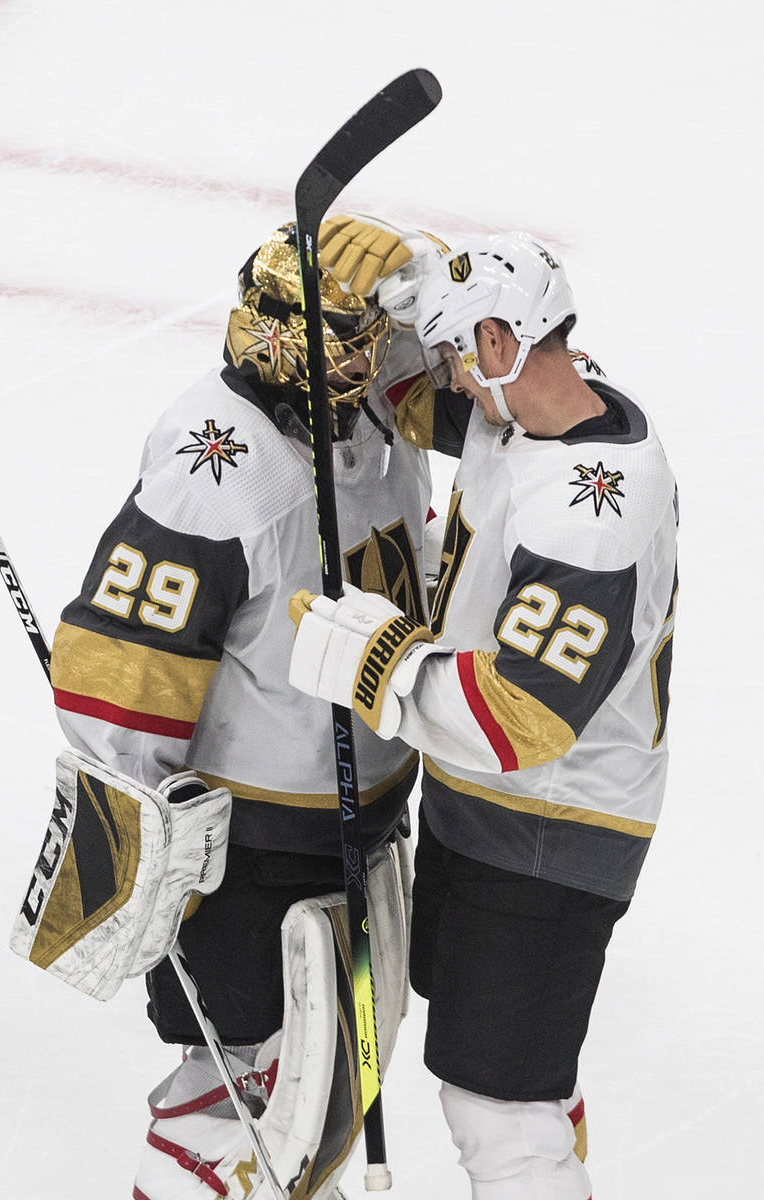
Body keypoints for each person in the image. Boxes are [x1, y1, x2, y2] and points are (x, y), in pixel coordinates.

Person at [41, 216, 443, 1199]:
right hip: (252, 846)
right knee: (233, 1090)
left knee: (319, 1090)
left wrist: (433, 281)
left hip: (368, 813)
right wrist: (148, 835)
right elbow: (116, 672)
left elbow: (508, 397)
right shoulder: (216, 463)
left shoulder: (383, 399)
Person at [289, 230, 679, 1200]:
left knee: (496, 1108)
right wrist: (382, 296)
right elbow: (412, 394)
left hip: (551, 832)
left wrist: (377, 663)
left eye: (462, 353)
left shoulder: (594, 513)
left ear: (504, 343)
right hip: (488, 815)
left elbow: (520, 718)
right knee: (514, 1073)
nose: (449, 377)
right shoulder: (533, 412)